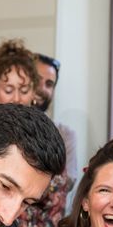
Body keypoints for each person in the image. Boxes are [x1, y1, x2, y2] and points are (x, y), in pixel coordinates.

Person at [0, 40, 73, 227]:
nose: (16, 98)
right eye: (8, 90)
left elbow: (56, 203)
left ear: (34, 92)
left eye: (23, 90)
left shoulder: (48, 140)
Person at [33, 53, 78, 184]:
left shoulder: (65, 135)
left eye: (49, 84)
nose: (42, 89)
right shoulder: (3, 126)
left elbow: (66, 183)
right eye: (36, 80)